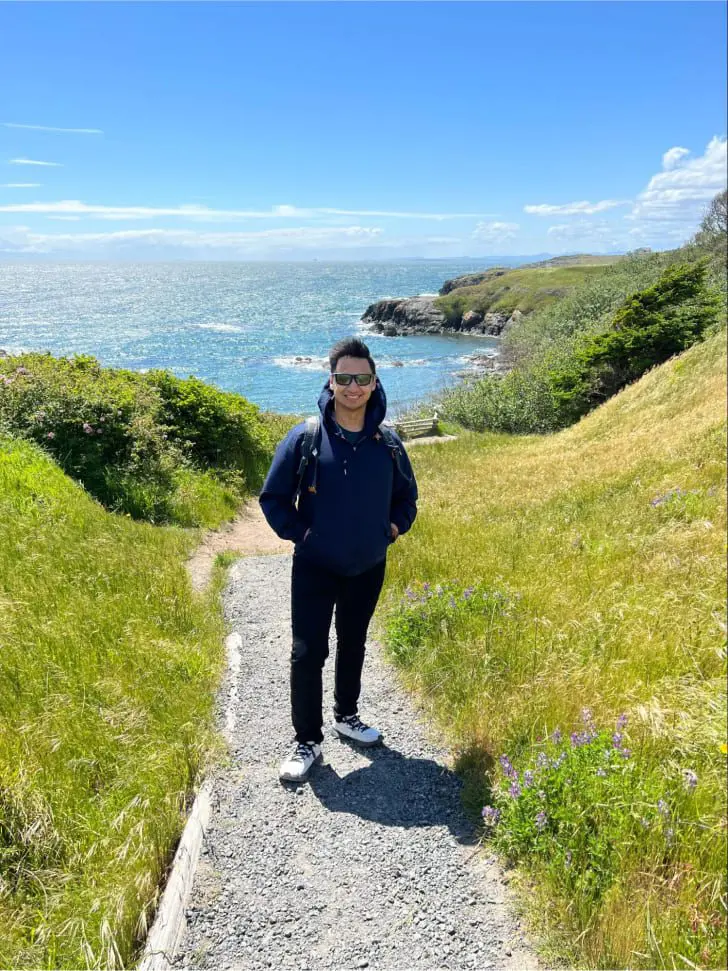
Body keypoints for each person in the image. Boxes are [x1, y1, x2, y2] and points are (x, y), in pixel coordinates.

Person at [259, 337, 418, 782]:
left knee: (354, 644)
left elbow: (408, 498)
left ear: (373, 383)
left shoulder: (387, 443)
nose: (353, 386)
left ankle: (347, 714)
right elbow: (273, 498)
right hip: (315, 565)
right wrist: (302, 535)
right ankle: (307, 739)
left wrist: (393, 528)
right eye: (344, 377)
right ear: (331, 382)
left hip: (367, 565)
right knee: (307, 652)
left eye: (362, 378)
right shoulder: (306, 437)